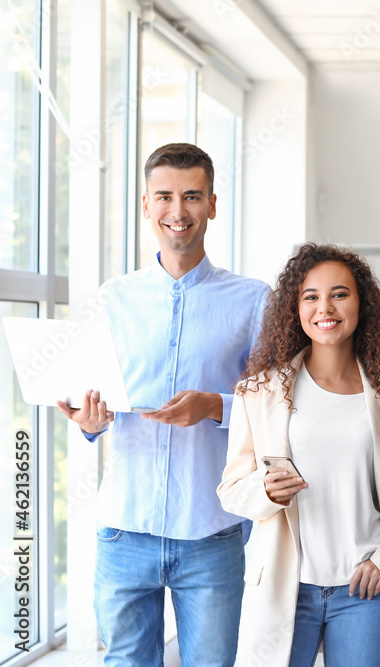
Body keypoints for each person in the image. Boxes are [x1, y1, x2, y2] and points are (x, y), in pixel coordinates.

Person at [57, 143, 270, 666]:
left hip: (211, 530)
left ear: (212, 205)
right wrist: (88, 423)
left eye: (192, 196)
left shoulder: (253, 300)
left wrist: (215, 406)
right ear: (147, 206)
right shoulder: (113, 299)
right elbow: (92, 398)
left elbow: (273, 408)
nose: (179, 212)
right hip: (124, 528)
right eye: (166, 197)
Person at [217, 244, 380, 667]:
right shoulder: (258, 392)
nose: (324, 307)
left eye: (339, 294)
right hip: (286, 587)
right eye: (310, 296)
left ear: (361, 303)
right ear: (294, 308)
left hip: (365, 588)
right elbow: (231, 490)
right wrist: (266, 490)